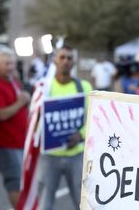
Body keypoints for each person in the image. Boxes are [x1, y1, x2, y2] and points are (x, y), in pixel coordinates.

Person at [38, 46, 92, 210]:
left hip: (76, 155)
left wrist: (80, 135)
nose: (65, 61)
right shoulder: (44, 88)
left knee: (81, 201)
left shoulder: (83, 87)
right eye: (62, 57)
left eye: (69, 58)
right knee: (45, 202)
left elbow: (92, 118)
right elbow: (35, 120)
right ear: (54, 60)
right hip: (49, 156)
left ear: (74, 62)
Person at [0, 49, 30, 207]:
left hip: (18, 141)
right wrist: (21, 102)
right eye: (6, 64)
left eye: (13, 64)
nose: (10, 67)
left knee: (20, 181)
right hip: (5, 143)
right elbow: (0, 115)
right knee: (14, 182)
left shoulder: (12, 80)